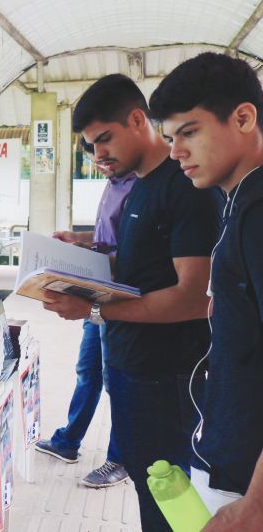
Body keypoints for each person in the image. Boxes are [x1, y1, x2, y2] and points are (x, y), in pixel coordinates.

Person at [43, 73, 219, 530]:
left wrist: (95, 310)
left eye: (105, 139)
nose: (98, 154)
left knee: (170, 495)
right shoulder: (140, 183)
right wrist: (79, 257)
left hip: (166, 377)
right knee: (147, 488)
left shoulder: (184, 188)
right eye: (91, 144)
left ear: (138, 120)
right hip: (130, 367)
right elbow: (139, 263)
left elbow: (193, 297)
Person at [149, 52, 263, 530]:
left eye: (189, 132)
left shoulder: (258, 214)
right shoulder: (235, 200)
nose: (176, 153)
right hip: (229, 457)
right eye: (170, 138)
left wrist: (254, 506)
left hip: (245, 483)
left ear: (243, 117)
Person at [35, 138, 135, 489]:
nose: (99, 160)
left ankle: (120, 458)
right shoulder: (113, 185)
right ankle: (68, 441)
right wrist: (79, 240)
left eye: (105, 148)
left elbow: (135, 252)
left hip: (116, 299)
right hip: (97, 287)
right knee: (87, 368)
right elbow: (108, 238)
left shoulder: (144, 185)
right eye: (92, 154)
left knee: (115, 380)